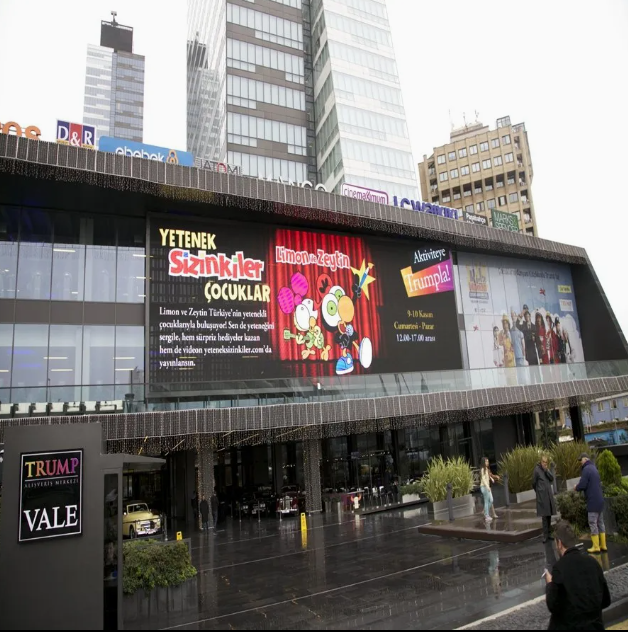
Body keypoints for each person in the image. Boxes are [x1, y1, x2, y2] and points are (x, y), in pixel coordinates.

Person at [545, 520, 611, 630]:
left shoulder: (559, 568)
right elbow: (606, 600)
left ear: (559, 543)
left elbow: (552, 605)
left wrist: (549, 584)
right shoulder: (593, 563)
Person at [575, 454, 607, 554]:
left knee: (593, 523)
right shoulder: (594, 468)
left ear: (585, 459)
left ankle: (596, 547)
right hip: (600, 500)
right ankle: (603, 545)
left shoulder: (586, 469)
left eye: (581, 460)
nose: (580, 462)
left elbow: (583, 484)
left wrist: (576, 487)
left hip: (592, 501)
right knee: (600, 523)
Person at [533, 454, 556, 542]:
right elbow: (533, 483)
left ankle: (549, 534)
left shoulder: (546, 469)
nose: (544, 463)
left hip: (548, 495)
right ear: (540, 462)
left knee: (549, 515)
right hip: (542, 496)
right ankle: (545, 535)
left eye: (546, 462)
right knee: (544, 516)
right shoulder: (536, 470)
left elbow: (551, 478)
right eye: (543, 462)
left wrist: (546, 470)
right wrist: (539, 491)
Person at [480, 457, 500, 523]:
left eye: (488, 461)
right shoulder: (482, 469)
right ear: (483, 462)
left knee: (491, 500)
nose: (487, 463)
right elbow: (483, 479)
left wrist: (492, 479)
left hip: (487, 487)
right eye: (486, 461)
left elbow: (489, 476)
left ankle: (485, 512)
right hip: (484, 487)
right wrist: (487, 486)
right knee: (486, 501)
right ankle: (487, 516)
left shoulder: (486, 469)